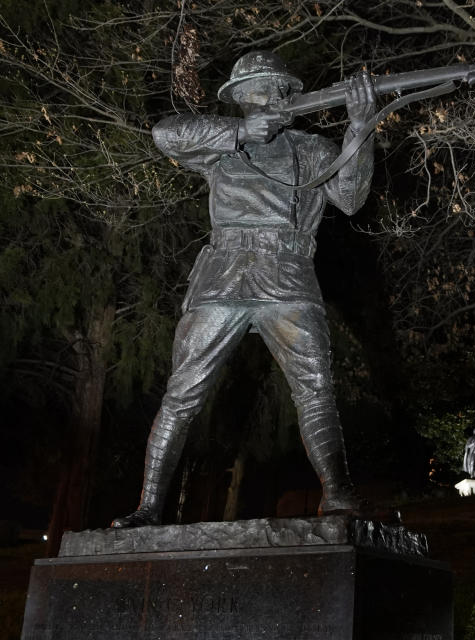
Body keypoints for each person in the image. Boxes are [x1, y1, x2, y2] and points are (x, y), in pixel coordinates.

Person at [112, 51, 376, 528]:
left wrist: (360, 127)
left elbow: (352, 199)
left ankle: (337, 494)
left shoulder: (313, 148)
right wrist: (238, 134)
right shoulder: (220, 145)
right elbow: (163, 134)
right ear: (237, 99)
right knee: (182, 394)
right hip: (223, 276)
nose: (269, 94)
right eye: (257, 88)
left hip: (288, 272)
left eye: (276, 87)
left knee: (316, 389)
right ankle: (149, 505)